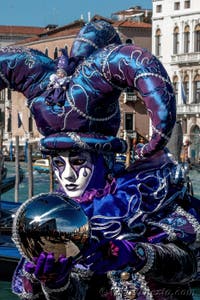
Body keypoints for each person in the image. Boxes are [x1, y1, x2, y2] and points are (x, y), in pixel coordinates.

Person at [0, 20, 199, 300]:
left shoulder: (148, 196)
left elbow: (189, 267)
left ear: (104, 157)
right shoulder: (54, 221)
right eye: (58, 163)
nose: (67, 175)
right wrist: (56, 282)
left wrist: (134, 254)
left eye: (78, 162)